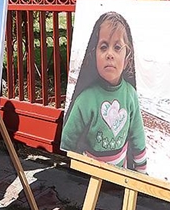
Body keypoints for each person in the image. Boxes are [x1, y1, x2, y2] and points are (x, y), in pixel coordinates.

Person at [61, 11, 147, 172]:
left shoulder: (130, 95)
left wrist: (141, 172)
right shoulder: (85, 100)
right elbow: (68, 142)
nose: (110, 55)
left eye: (117, 47)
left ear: (127, 58)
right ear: (94, 55)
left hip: (122, 177)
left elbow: (138, 135)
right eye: (103, 47)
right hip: (89, 176)